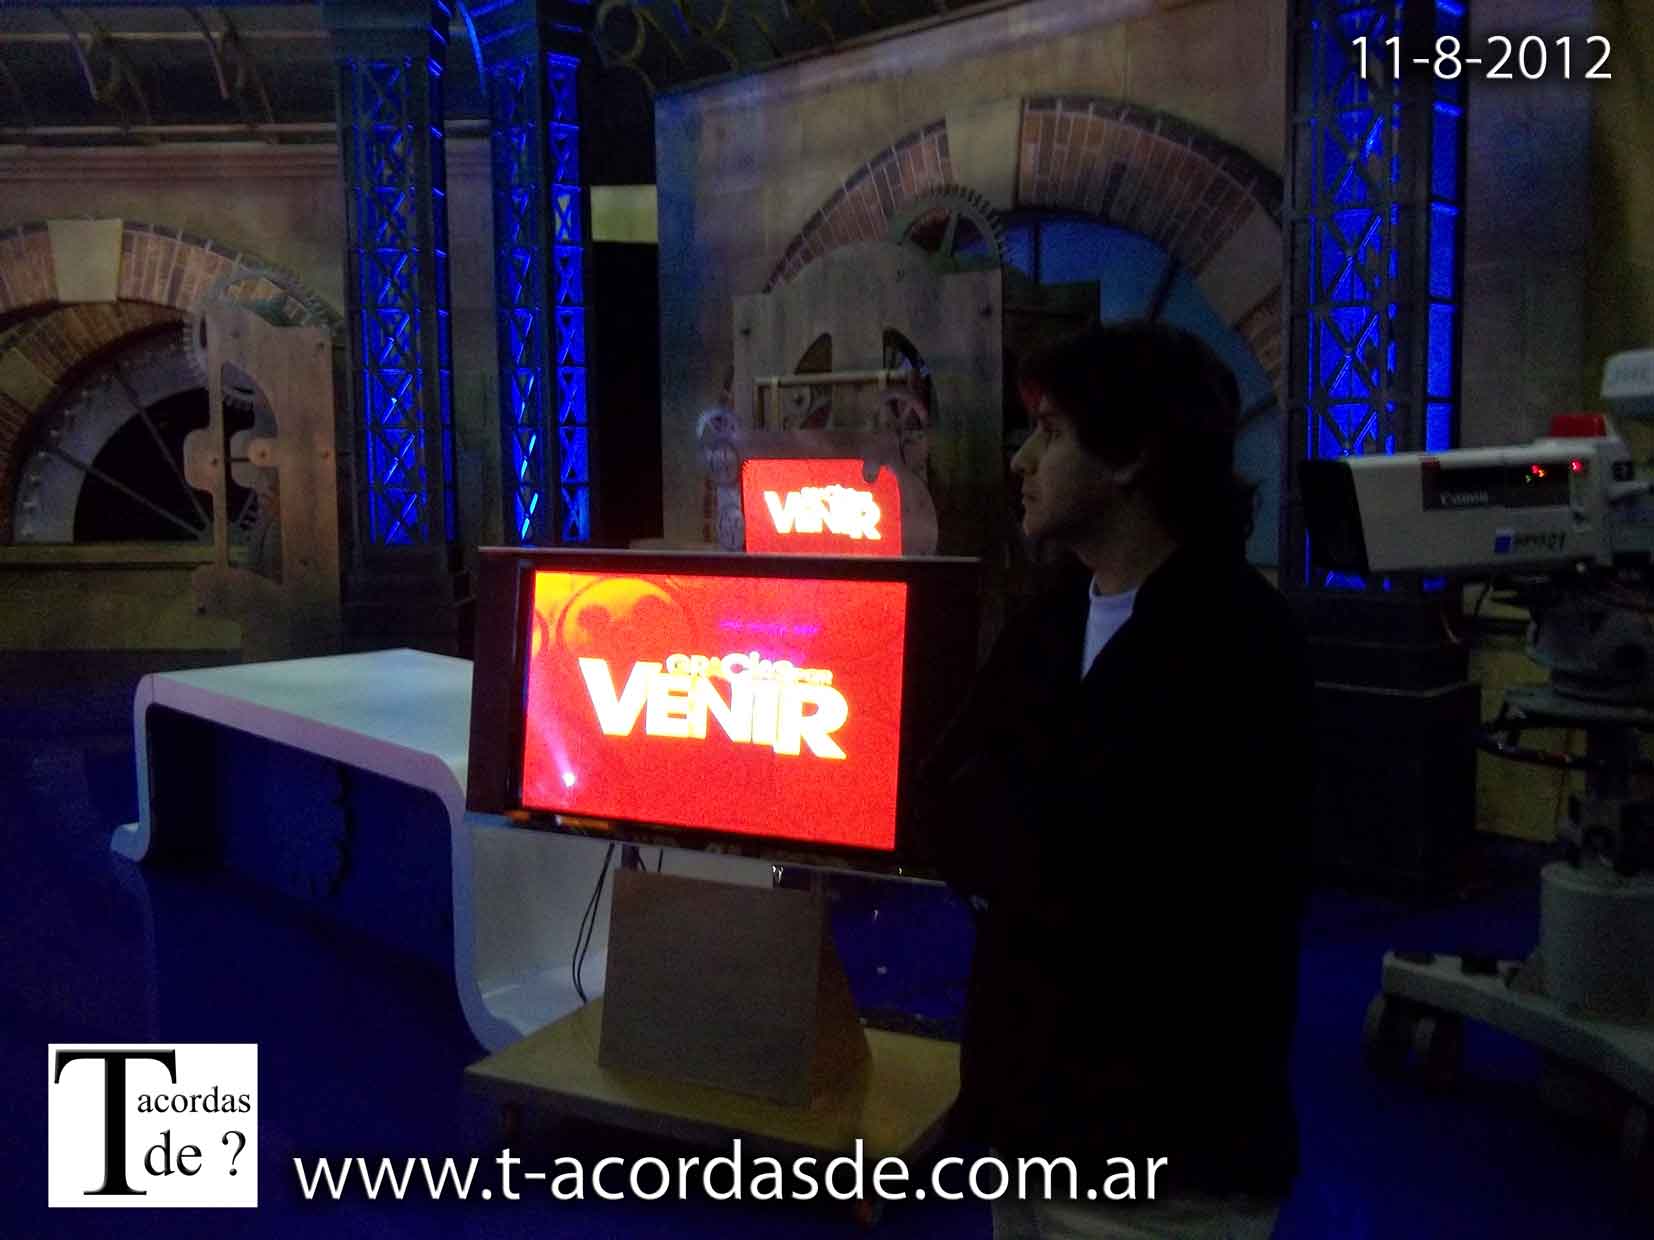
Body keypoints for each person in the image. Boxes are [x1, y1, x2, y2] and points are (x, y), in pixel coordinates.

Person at [914, 320, 1313, 1239]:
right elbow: (951, 800)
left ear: (1133, 454)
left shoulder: (1242, 649)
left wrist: (1025, 845)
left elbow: (1150, 897)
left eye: (1050, 432)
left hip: (1165, 1157)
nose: (1021, 460)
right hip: (1026, 1122)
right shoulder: (1052, 619)